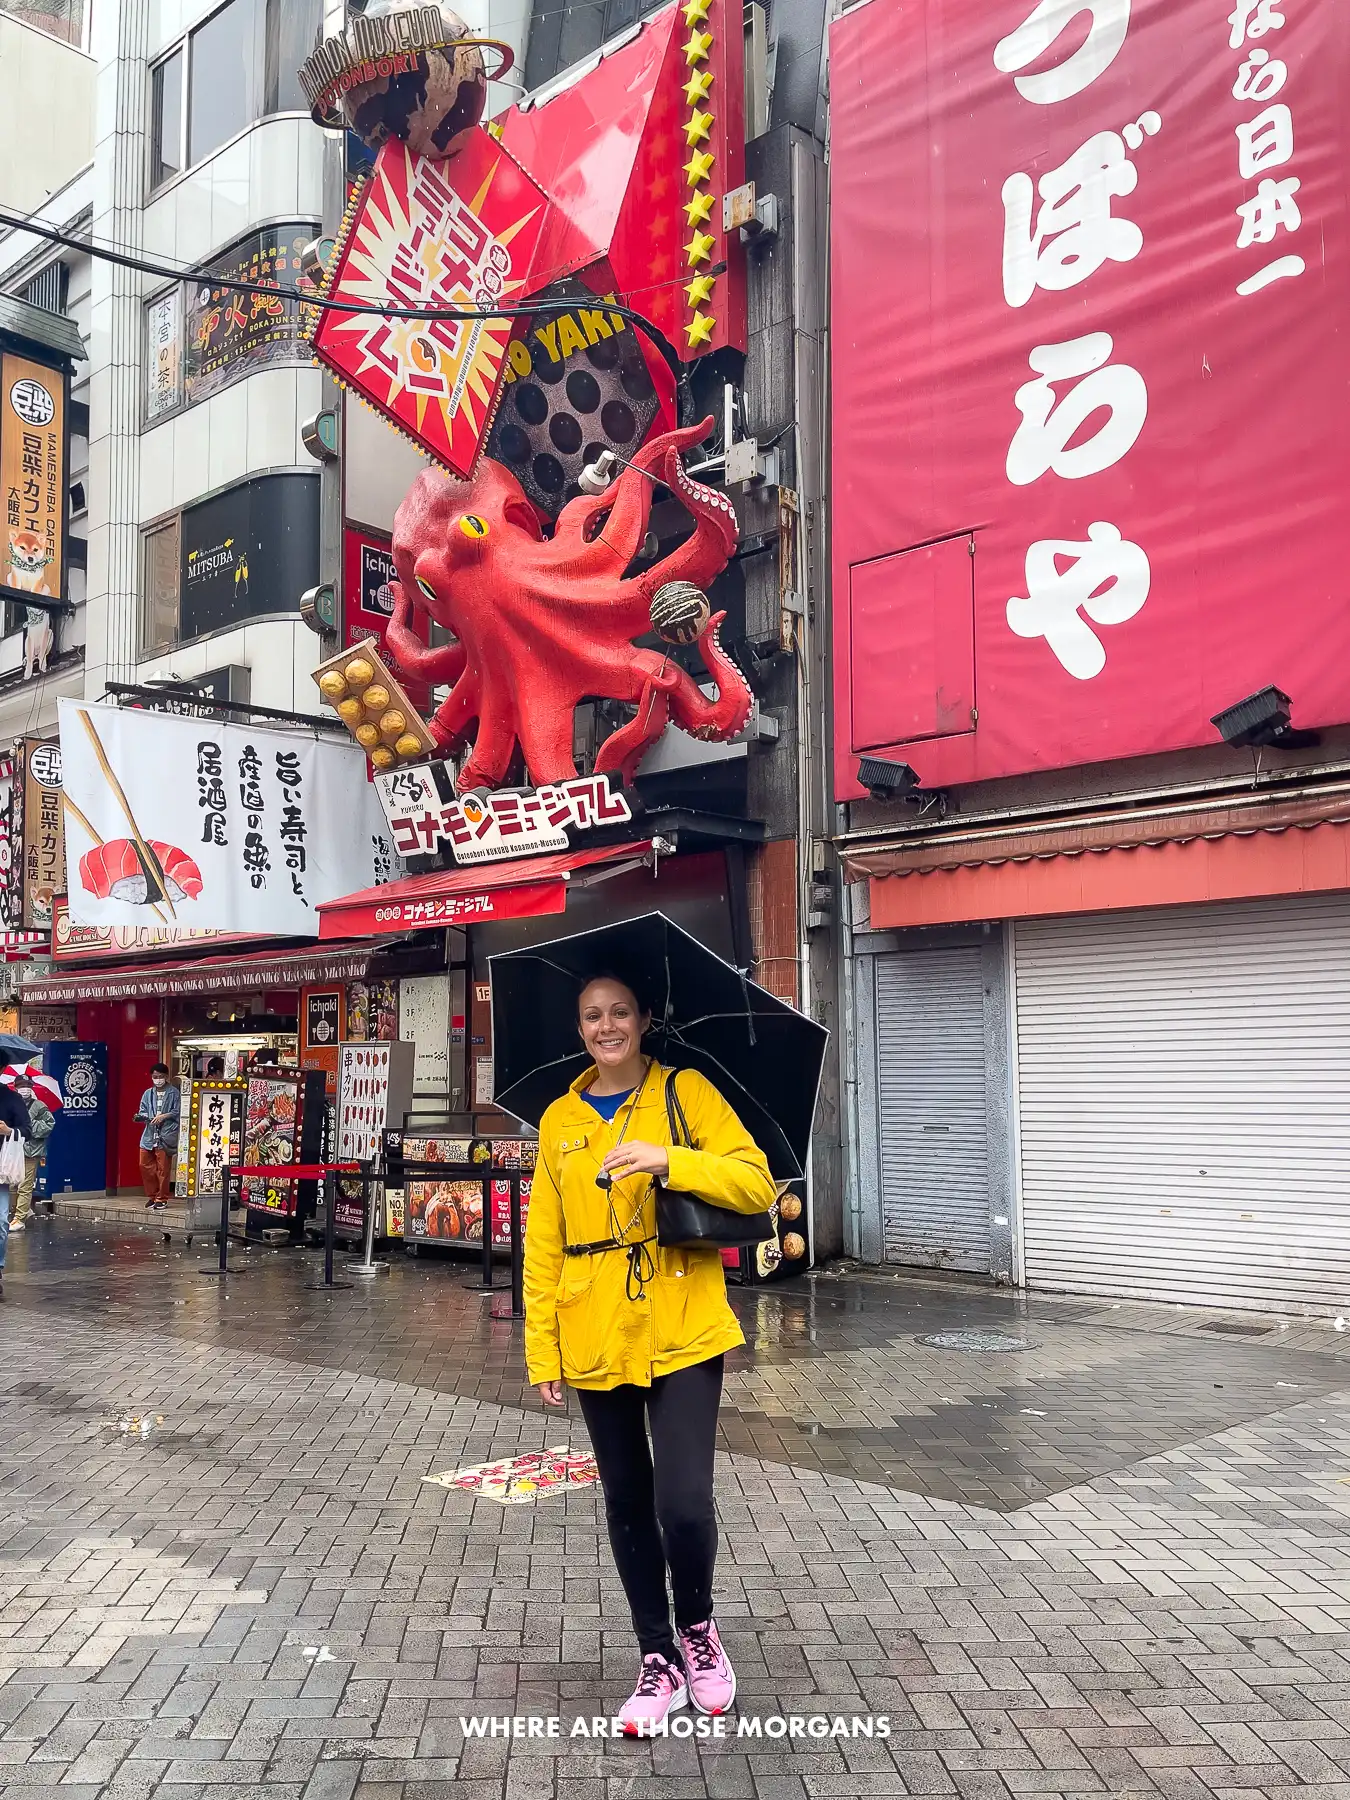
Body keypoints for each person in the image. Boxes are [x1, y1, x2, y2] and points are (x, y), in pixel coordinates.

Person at [523, 972, 776, 1734]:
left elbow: (756, 1183)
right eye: (592, 1016)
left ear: (643, 1020)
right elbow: (543, 1244)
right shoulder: (559, 1121)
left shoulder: (684, 1092)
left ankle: (697, 1627)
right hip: (594, 1325)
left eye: (619, 1013)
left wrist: (671, 1159)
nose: (606, 1027)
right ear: (580, 1029)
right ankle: (657, 1656)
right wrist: (542, 1349)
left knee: (683, 1504)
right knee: (627, 1501)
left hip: (683, 1320)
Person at [0, 1078, 33, 1287]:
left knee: (1, 1223)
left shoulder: (11, 1098)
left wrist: (9, 1131)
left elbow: (28, 1130)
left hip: (1, 1171)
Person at [9, 1075, 54, 1230]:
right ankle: (22, 1210)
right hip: (13, 1151)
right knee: (12, 1185)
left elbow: (49, 1124)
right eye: (22, 1086)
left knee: (25, 1185)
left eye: (28, 1086)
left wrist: (30, 1124)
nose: (25, 1089)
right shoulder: (11, 1104)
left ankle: (19, 1219)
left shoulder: (39, 1106)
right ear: (15, 1088)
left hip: (31, 1151)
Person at [135, 1064, 180, 1209]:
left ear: (166, 1077)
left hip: (165, 1135)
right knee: (144, 1165)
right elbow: (142, 1110)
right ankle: (152, 1196)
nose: (158, 1079)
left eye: (161, 1076)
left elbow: (178, 1111)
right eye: (155, 1077)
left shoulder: (174, 1093)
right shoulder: (148, 1093)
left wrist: (164, 1116)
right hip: (149, 1135)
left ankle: (161, 1198)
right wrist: (143, 1117)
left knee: (163, 1169)